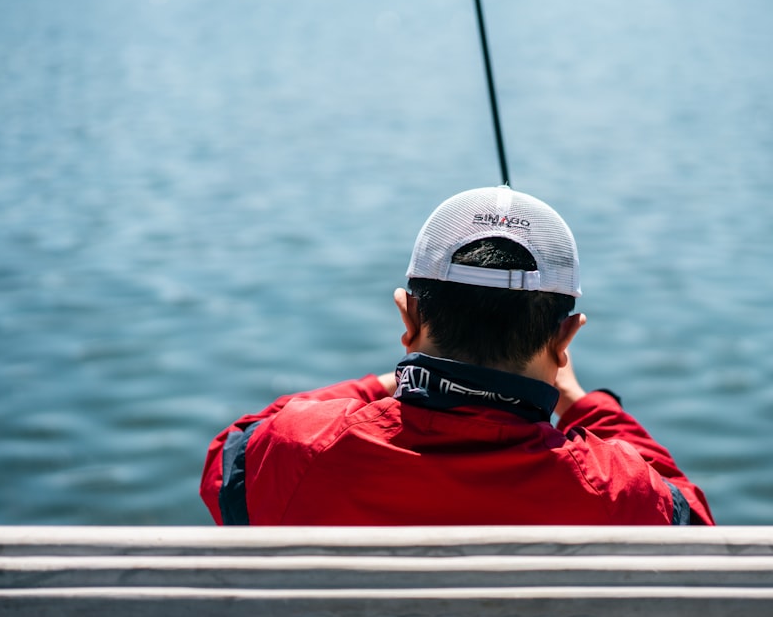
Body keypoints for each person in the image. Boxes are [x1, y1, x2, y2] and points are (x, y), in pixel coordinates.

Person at [200, 186, 714, 525]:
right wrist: (582, 402)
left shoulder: (298, 453)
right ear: (565, 340)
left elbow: (229, 456)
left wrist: (383, 384)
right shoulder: (616, 491)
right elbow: (693, 523)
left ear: (409, 319)